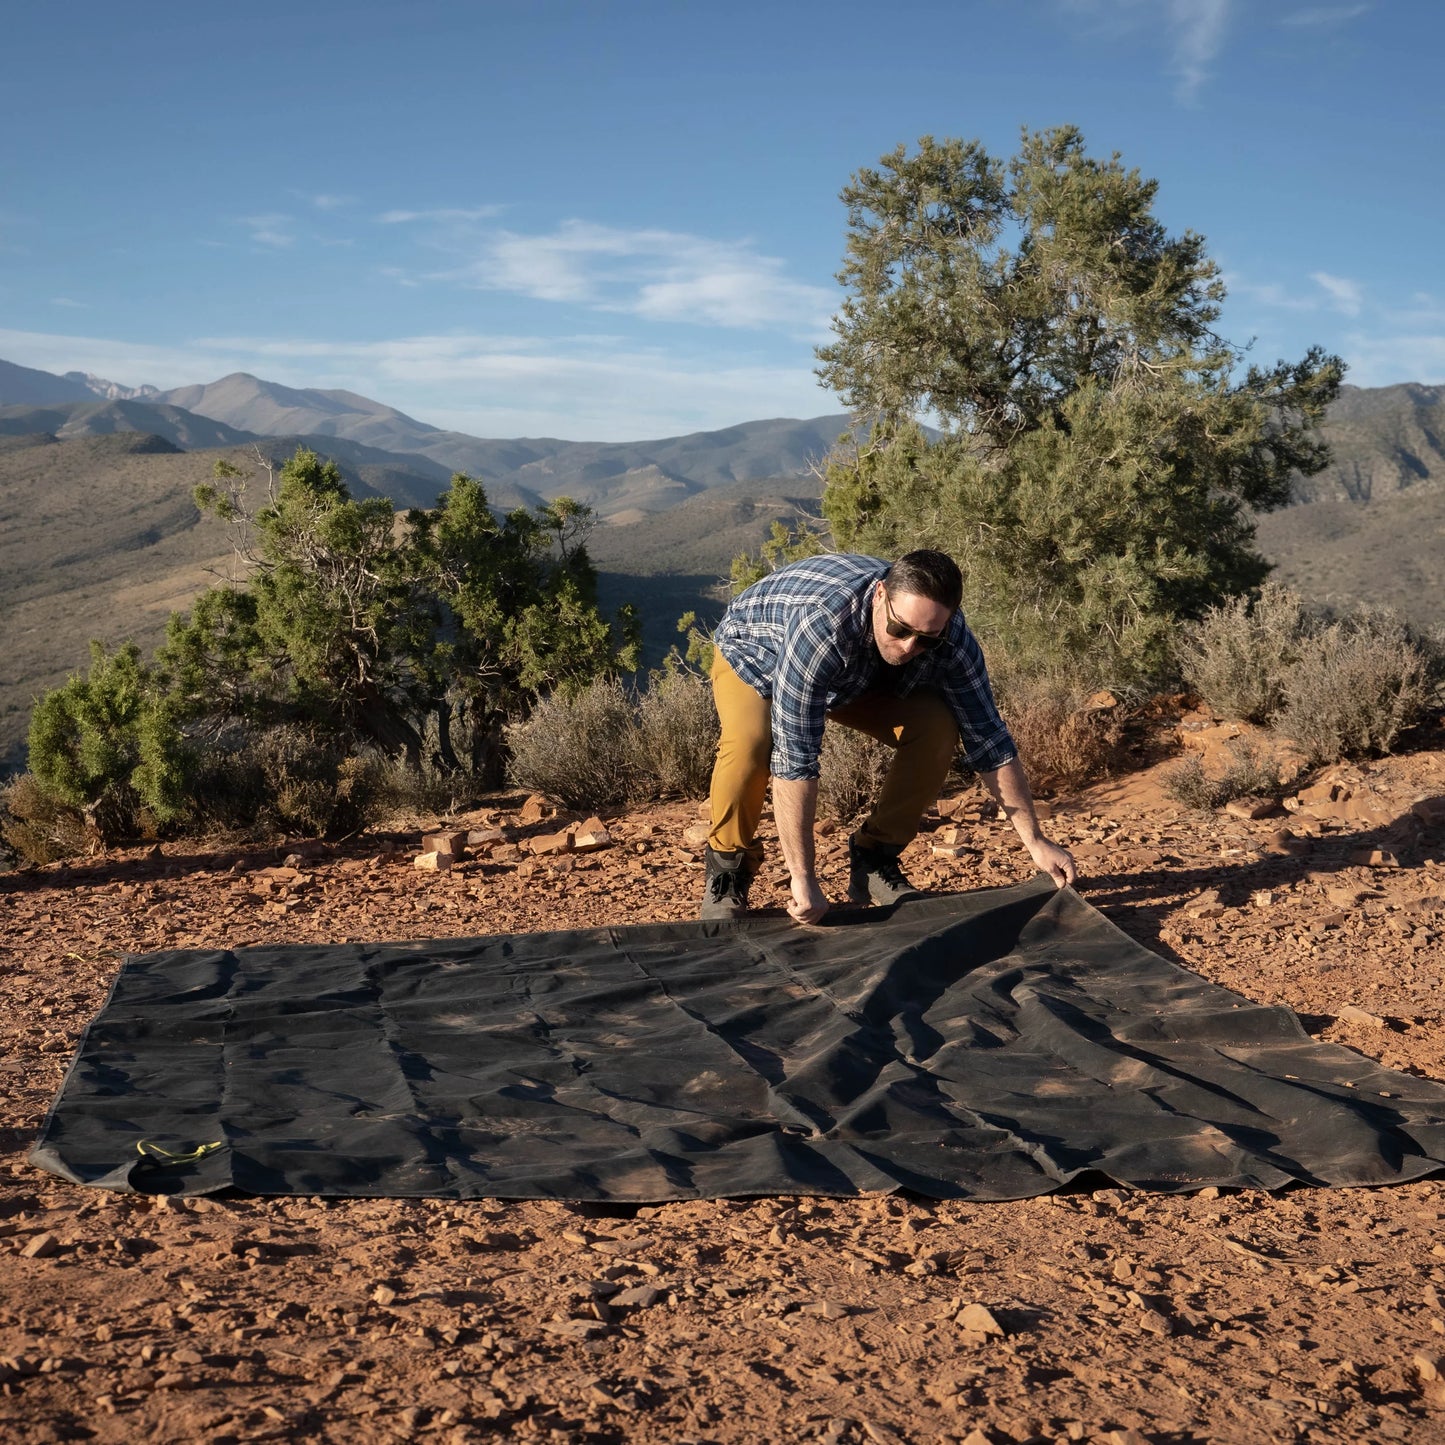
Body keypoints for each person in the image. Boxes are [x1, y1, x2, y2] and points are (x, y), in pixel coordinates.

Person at [700, 549, 1077, 924]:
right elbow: (796, 758)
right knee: (750, 743)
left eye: (927, 639)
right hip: (755, 653)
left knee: (936, 727)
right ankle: (728, 868)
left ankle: (873, 857)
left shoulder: (953, 641)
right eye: (900, 629)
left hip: (855, 674)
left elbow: (989, 740)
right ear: (880, 595)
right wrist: (803, 877)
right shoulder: (823, 626)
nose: (910, 646)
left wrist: (1035, 841)